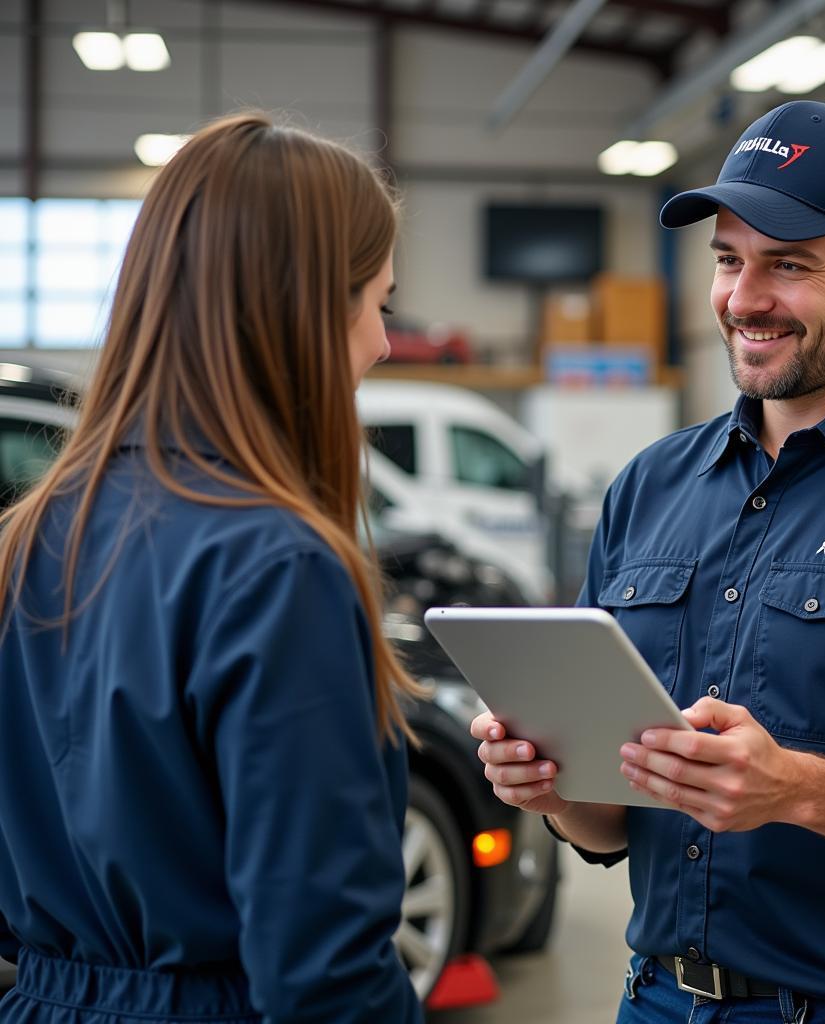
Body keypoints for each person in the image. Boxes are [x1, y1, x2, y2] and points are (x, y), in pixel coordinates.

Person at [472, 98, 825, 1022]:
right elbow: (609, 827)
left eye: (790, 265)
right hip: (657, 1002)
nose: (743, 298)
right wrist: (552, 786)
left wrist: (799, 791)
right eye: (729, 260)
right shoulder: (650, 486)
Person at [0, 113, 424, 1024]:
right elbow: (325, 975)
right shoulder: (279, 569)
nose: (382, 345)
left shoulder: (29, 539)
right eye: (376, 305)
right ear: (307, 309)